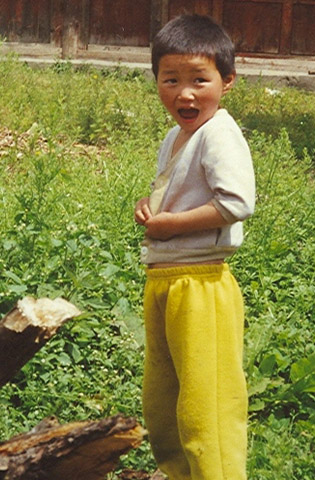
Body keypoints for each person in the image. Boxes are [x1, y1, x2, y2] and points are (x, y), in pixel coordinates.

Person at [134, 14, 255, 480]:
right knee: (165, 396)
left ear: (227, 81)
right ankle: (178, 473)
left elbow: (237, 202)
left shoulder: (220, 133)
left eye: (199, 80)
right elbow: (178, 192)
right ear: (156, 81)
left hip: (202, 284)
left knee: (208, 401)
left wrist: (171, 227)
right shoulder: (177, 135)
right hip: (166, 280)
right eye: (171, 80)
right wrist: (150, 207)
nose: (185, 93)